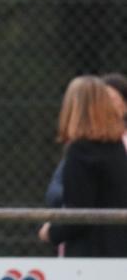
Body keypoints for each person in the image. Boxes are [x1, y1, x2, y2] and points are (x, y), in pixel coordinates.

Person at [39, 75, 127, 255]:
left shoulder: (81, 150)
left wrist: (50, 233)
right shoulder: (116, 147)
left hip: (90, 257)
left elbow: (79, 216)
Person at [45, 73, 127, 208]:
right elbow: (56, 191)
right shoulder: (82, 147)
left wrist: (54, 229)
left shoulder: (87, 149)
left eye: (110, 100)